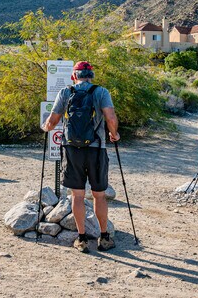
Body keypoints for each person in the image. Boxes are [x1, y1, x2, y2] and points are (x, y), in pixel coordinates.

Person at [42, 61, 119, 253]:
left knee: (77, 195)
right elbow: (110, 117)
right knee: (99, 195)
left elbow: (52, 121)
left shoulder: (65, 92)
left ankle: (82, 239)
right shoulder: (101, 92)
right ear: (91, 75)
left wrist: (46, 128)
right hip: (96, 148)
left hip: (72, 149)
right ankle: (104, 238)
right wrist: (114, 134)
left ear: (74, 76)